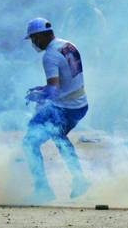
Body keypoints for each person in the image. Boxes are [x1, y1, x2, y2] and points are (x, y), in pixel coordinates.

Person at [22, 17, 90, 203]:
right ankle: (79, 179)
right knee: (58, 136)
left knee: (30, 142)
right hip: (80, 104)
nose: (34, 43)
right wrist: (41, 89)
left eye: (34, 38)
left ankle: (43, 188)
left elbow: (53, 90)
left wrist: (38, 95)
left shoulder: (49, 56)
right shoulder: (68, 44)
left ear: (42, 36)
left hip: (65, 107)